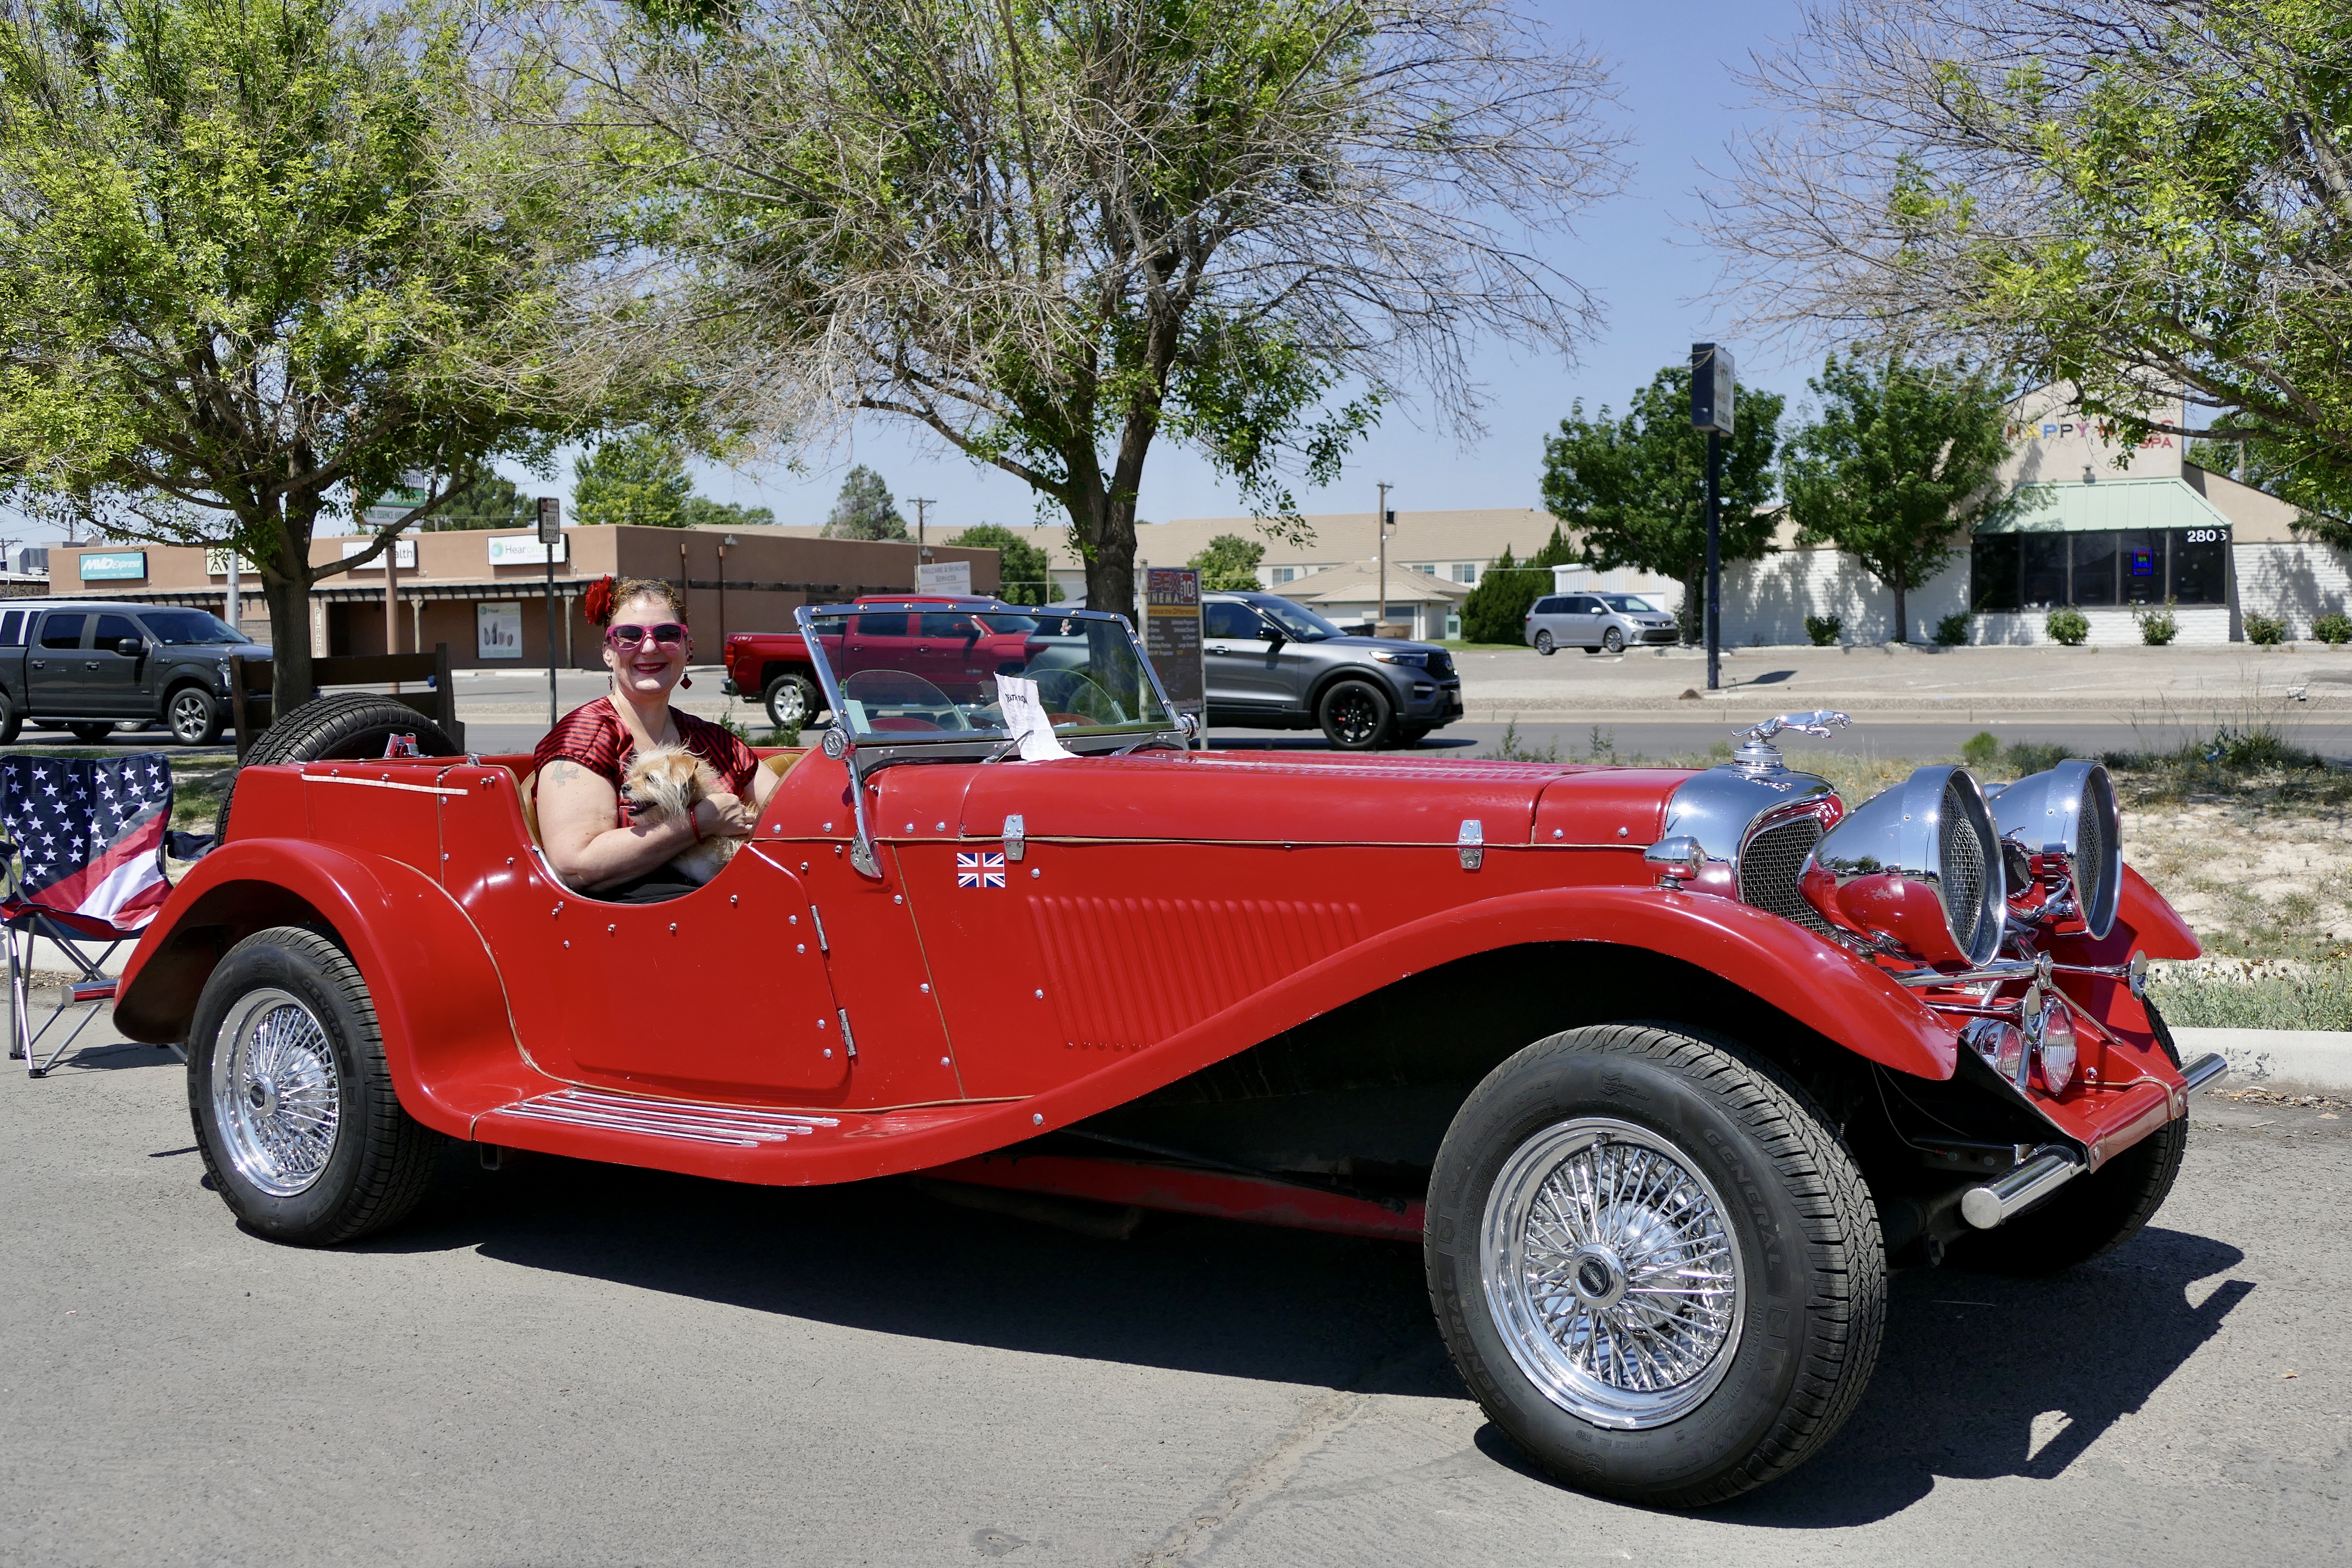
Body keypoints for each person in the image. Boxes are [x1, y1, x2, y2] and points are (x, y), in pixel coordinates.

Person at [534, 576, 783, 901]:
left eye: (667, 634)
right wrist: (700, 823)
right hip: (636, 926)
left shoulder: (713, 741)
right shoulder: (586, 737)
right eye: (629, 636)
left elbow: (788, 811)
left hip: (735, 907)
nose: (649, 647)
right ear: (609, 652)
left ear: (687, 648)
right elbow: (577, 865)